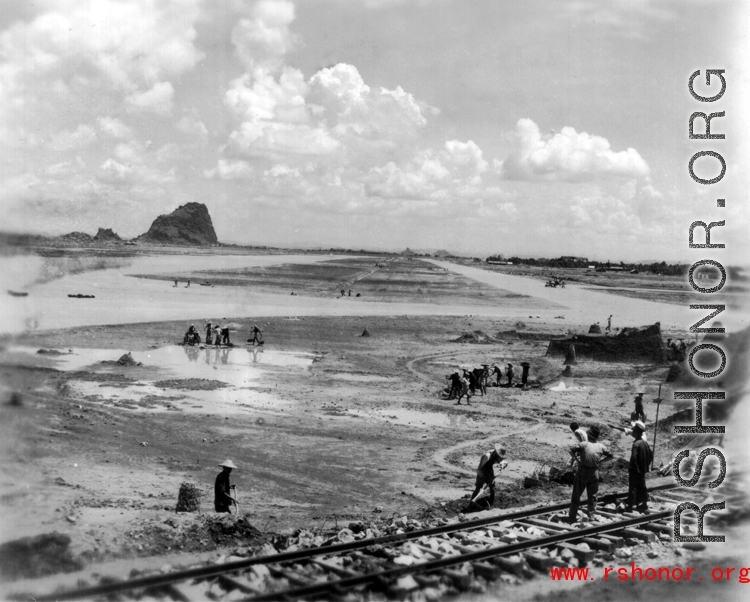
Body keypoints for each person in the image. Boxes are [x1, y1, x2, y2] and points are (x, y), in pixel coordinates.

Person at [568, 425, 610, 522]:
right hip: (594, 472)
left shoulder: (584, 444)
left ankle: (572, 516)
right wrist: (601, 461)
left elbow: (570, 450)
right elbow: (611, 456)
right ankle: (591, 516)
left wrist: (576, 460)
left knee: (576, 494)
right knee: (593, 496)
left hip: (582, 471)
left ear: (589, 435)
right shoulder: (601, 446)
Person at [467, 445, 507, 510]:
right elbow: (484, 468)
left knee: (492, 487)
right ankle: (470, 505)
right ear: (496, 453)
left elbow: (500, 461)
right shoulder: (487, 456)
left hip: (489, 470)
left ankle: (491, 502)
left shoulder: (495, 455)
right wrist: (489, 479)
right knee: (478, 488)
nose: (499, 458)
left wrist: (503, 465)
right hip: (482, 473)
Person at [626, 421, 653, 512]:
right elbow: (651, 455)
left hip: (635, 470)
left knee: (632, 487)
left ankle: (630, 507)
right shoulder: (645, 443)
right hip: (642, 470)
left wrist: (634, 468)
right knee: (642, 486)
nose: (632, 432)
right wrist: (645, 465)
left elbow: (634, 457)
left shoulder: (636, 444)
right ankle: (644, 504)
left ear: (636, 432)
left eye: (633, 431)